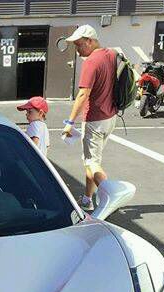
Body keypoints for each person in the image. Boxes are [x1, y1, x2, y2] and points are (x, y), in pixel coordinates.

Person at [62, 25, 117, 212]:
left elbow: (83, 94)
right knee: (91, 160)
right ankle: (87, 199)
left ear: (90, 41)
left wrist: (70, 123)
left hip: (94, 119)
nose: (77, 50)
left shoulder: (92, 62)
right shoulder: (112, 55)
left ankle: (111, 195)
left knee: (92, 163)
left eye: (79, 45)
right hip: (110, 117)